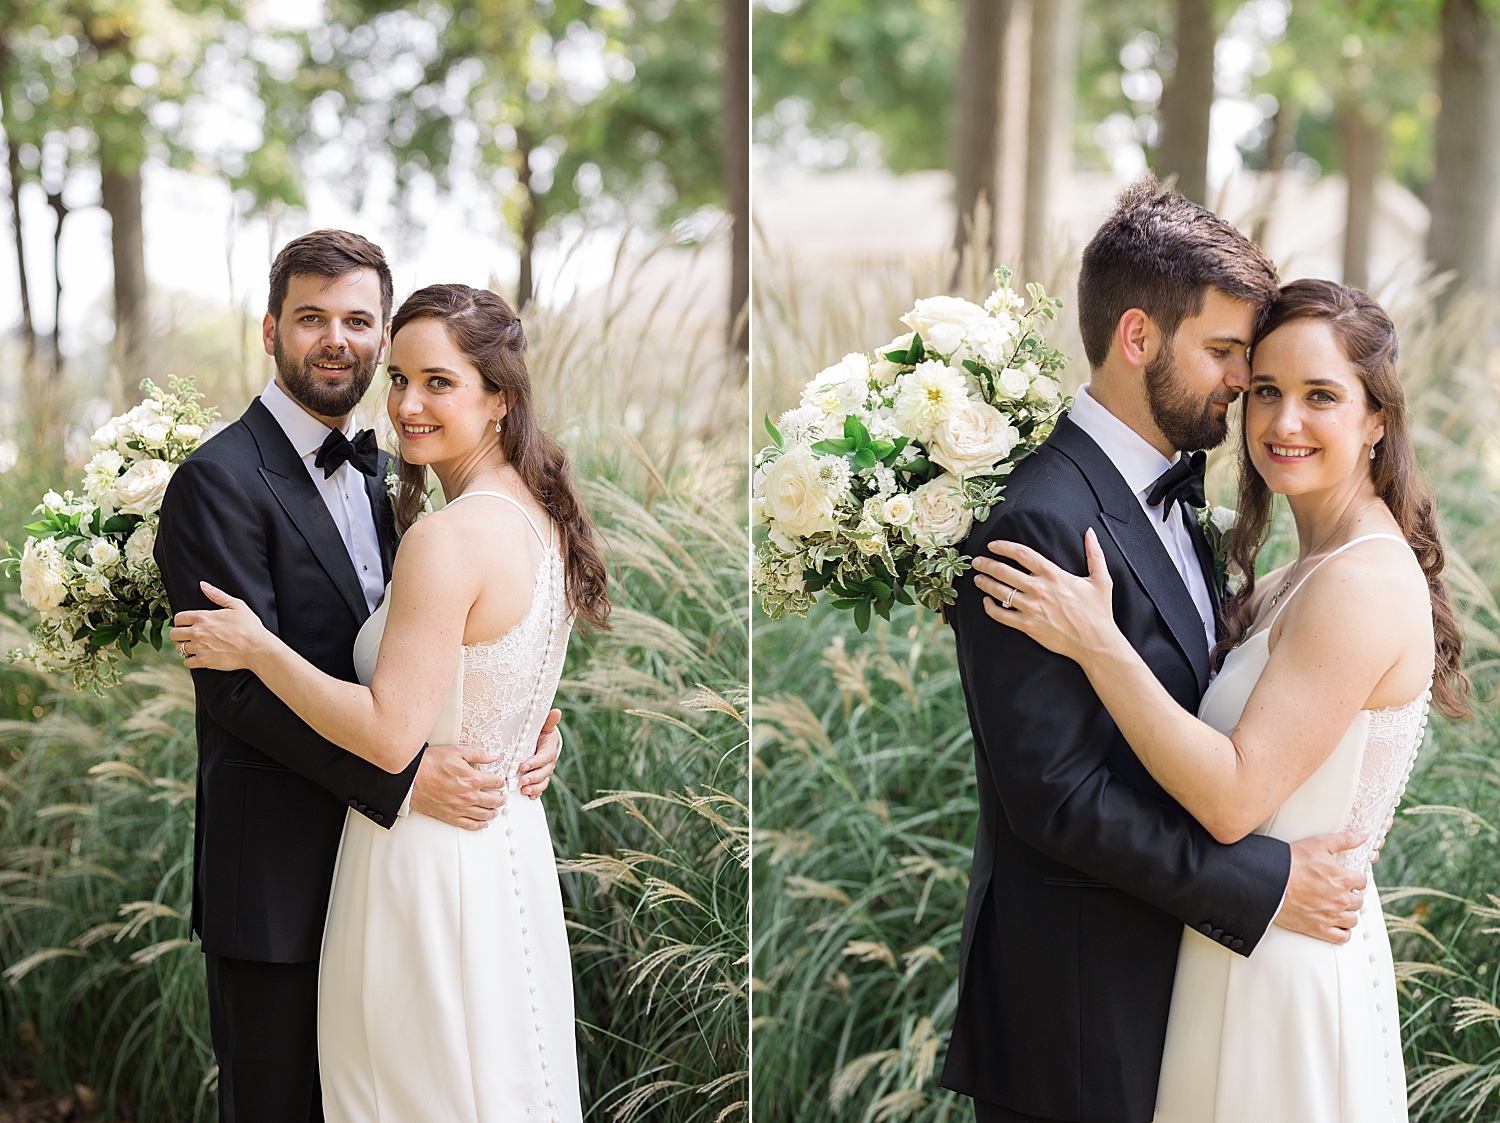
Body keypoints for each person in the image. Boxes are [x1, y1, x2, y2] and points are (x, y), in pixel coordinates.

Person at [972, 277, 1468, 1122]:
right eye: (1265, 390)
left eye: (1321, 396)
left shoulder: (1359, 582)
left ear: (1378, 417)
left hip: (1284, 969)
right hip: (1230, 951)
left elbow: (1237, 795)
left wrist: (1099, 641)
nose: (1283, 422)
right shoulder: (1293, 575)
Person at [936, 179, 1371, 1123]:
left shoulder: (1183, 495)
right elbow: (1055, 793)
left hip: (1188, 993)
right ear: (1138, 337)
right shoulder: (1036, 519)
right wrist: (1265, 884)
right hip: (1084, 1012)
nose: (1241, 388)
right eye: (1222, 353)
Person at [170, 281, 608, 1123]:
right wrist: (517, 731)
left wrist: (259, 645)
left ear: (499, 398)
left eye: (438, 381)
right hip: (493, 856)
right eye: (400, 378)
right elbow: (483, 663)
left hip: (428, 866)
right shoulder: (540, 515)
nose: (407, 402)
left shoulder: (443, 531)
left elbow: (391, 725)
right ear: (272, 330)